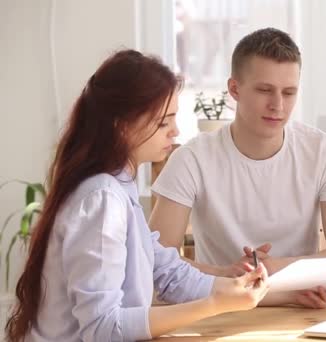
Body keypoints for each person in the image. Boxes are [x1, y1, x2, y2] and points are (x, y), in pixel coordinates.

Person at [5, 50, 269, 342]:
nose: (175, 131)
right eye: (163, 122)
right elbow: (103, 328)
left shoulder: (118, 186)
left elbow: (168, 272)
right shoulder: (102, 199)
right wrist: (213, 304)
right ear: (122, 124)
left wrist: (232, 284)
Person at [149, 28, 326, 308]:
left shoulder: (324, 151)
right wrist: (226, 275)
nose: (278, 105)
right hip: (217, 306)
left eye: (289, 92)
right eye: (264, 90)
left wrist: (276, 267)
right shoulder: (192, 158)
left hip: (301, 305)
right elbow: (152, 259)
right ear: (234, 89)